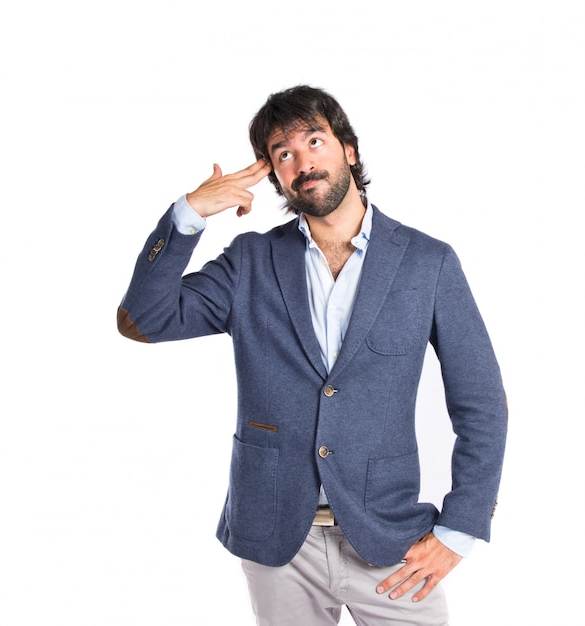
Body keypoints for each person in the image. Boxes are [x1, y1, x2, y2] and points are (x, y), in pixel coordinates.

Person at [117, 85, 507, 625]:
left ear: (348, 149)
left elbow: (482, 403)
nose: (303, 162)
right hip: (277, 539)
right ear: (275, 175)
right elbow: (144, 320)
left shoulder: (428, 263)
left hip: (390, 537)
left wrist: (460, 528)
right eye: (284, 153)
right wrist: (189, 214)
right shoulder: (250, 261)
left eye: (315, 141)